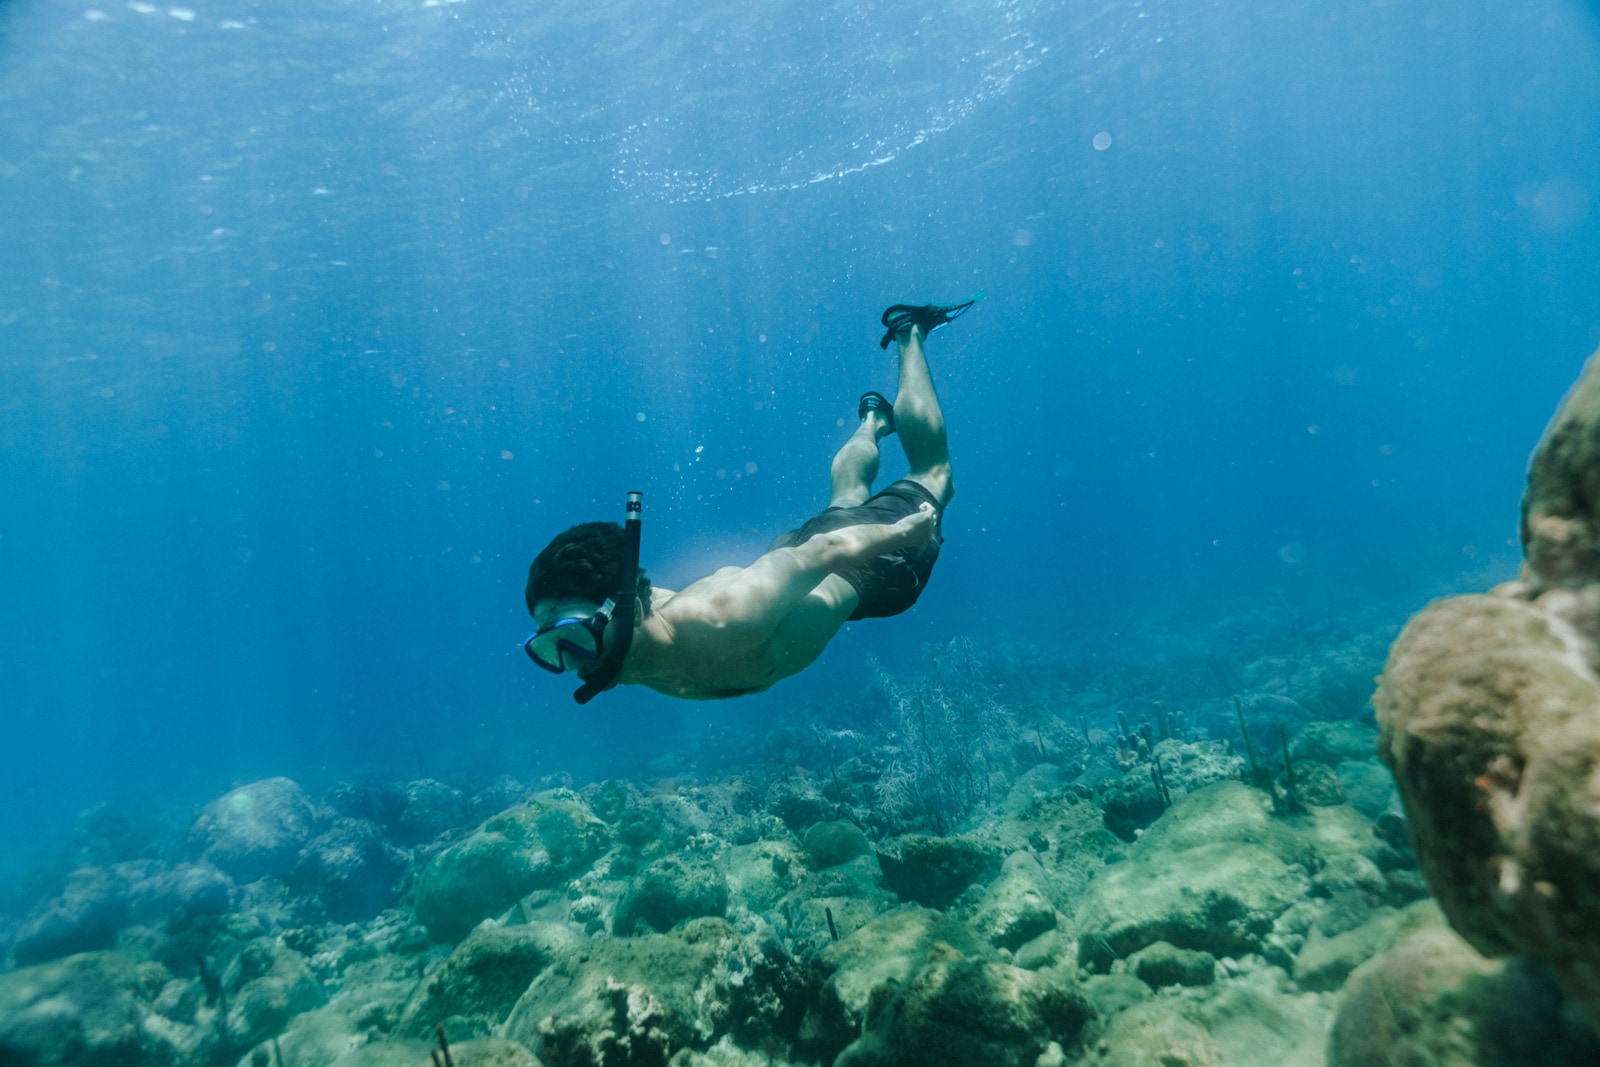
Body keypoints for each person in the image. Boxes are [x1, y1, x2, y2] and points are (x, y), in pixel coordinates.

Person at [522, 300, 973, 701]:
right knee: (845, 501)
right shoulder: (638, 630)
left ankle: (907, 332)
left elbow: (828, 550)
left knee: (933, 475)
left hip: (861, 565)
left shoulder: (727, 617)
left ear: (631, 607)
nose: (573, 663)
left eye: (575, 636)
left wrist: (901, 534)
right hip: (789, 574)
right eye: (547, 649)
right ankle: (873, 421)